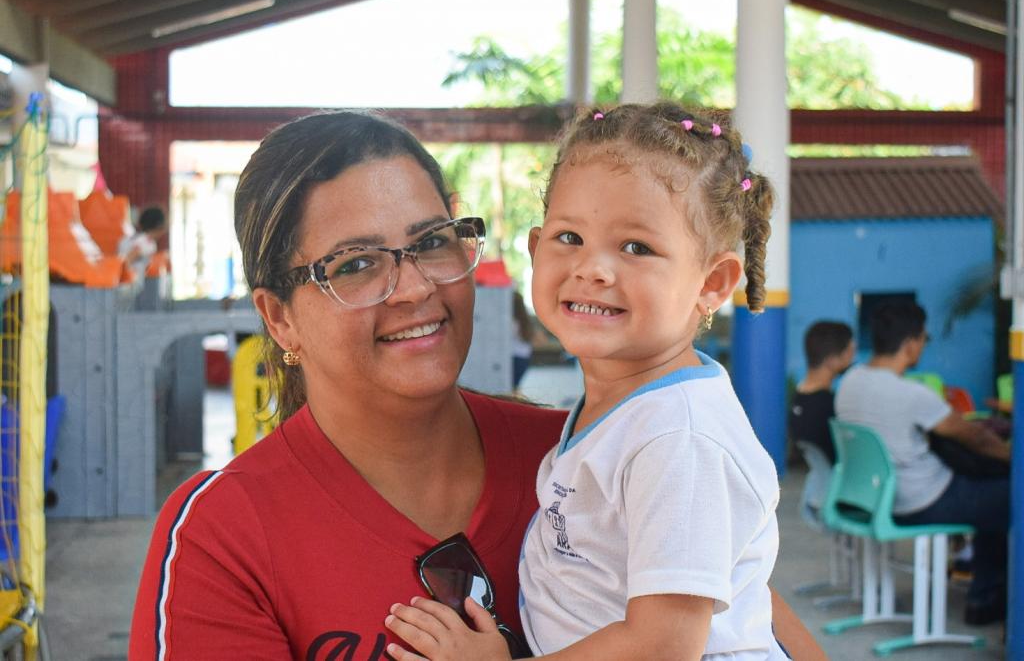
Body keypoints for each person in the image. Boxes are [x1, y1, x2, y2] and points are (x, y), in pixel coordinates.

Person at [128, 110, 823, 660]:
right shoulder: (225, 534)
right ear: (280, 318)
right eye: (355, 264)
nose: (413, 288)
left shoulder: (610, 458)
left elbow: (735, 627)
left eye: (432, 241)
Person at [386, 103, 789, 660]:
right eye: (570, 237)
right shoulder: (630, 409)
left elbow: (663, 645)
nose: (592, 268)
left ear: (712, 283)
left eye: (636, 248)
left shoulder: (679, 440)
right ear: (535, 249)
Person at [835, 299, 1010, 625]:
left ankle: (983, 587)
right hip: (924, 499)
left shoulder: (850, 381)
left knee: (991, 496)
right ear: (911, 343)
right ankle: (986, 597)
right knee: (1009, 494)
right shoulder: (911, 394)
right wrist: (1012, 455)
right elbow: (975, 437)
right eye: (924, 339)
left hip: (873, 497)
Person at [789, 321, 855, 464]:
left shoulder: (798, 399)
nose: (852, 359)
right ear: (831, 360)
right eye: (849, 352)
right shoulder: (829, 406)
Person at [118, 205, 167, 284]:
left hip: (124, 281)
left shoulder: (128, 238)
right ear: (160, 226)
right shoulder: (148, 243)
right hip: (130, 283)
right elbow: (128, 259)